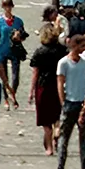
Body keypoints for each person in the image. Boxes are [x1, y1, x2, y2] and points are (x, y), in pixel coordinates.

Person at [57, 34, 85, 169]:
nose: (84, 48)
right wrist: (63, 102)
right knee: (64, 138)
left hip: (83, 104)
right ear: (74, 46)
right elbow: (60, 83)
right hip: (70, 102)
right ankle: (60, 164)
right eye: (82, 46)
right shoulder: (63, 63)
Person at [28, 24, 67, 155]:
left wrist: (31, 92)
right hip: (58, 84)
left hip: (43, 86)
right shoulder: (62, 50)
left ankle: (49, 148)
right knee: (57, 114)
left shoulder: (40, 51)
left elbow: (35, 72)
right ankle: (57, 130)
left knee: (45, 120)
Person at [0, 0, 26, 111]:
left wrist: (19, 37)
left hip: (15, 50)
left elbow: (23, 36)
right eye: (5, 6)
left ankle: (13, 95)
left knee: (16, 77)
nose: (8, 8)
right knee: (4, 78)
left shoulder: (18, 21)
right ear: (3, 7)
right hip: (2, 51)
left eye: (9, 6)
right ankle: (6, 99)